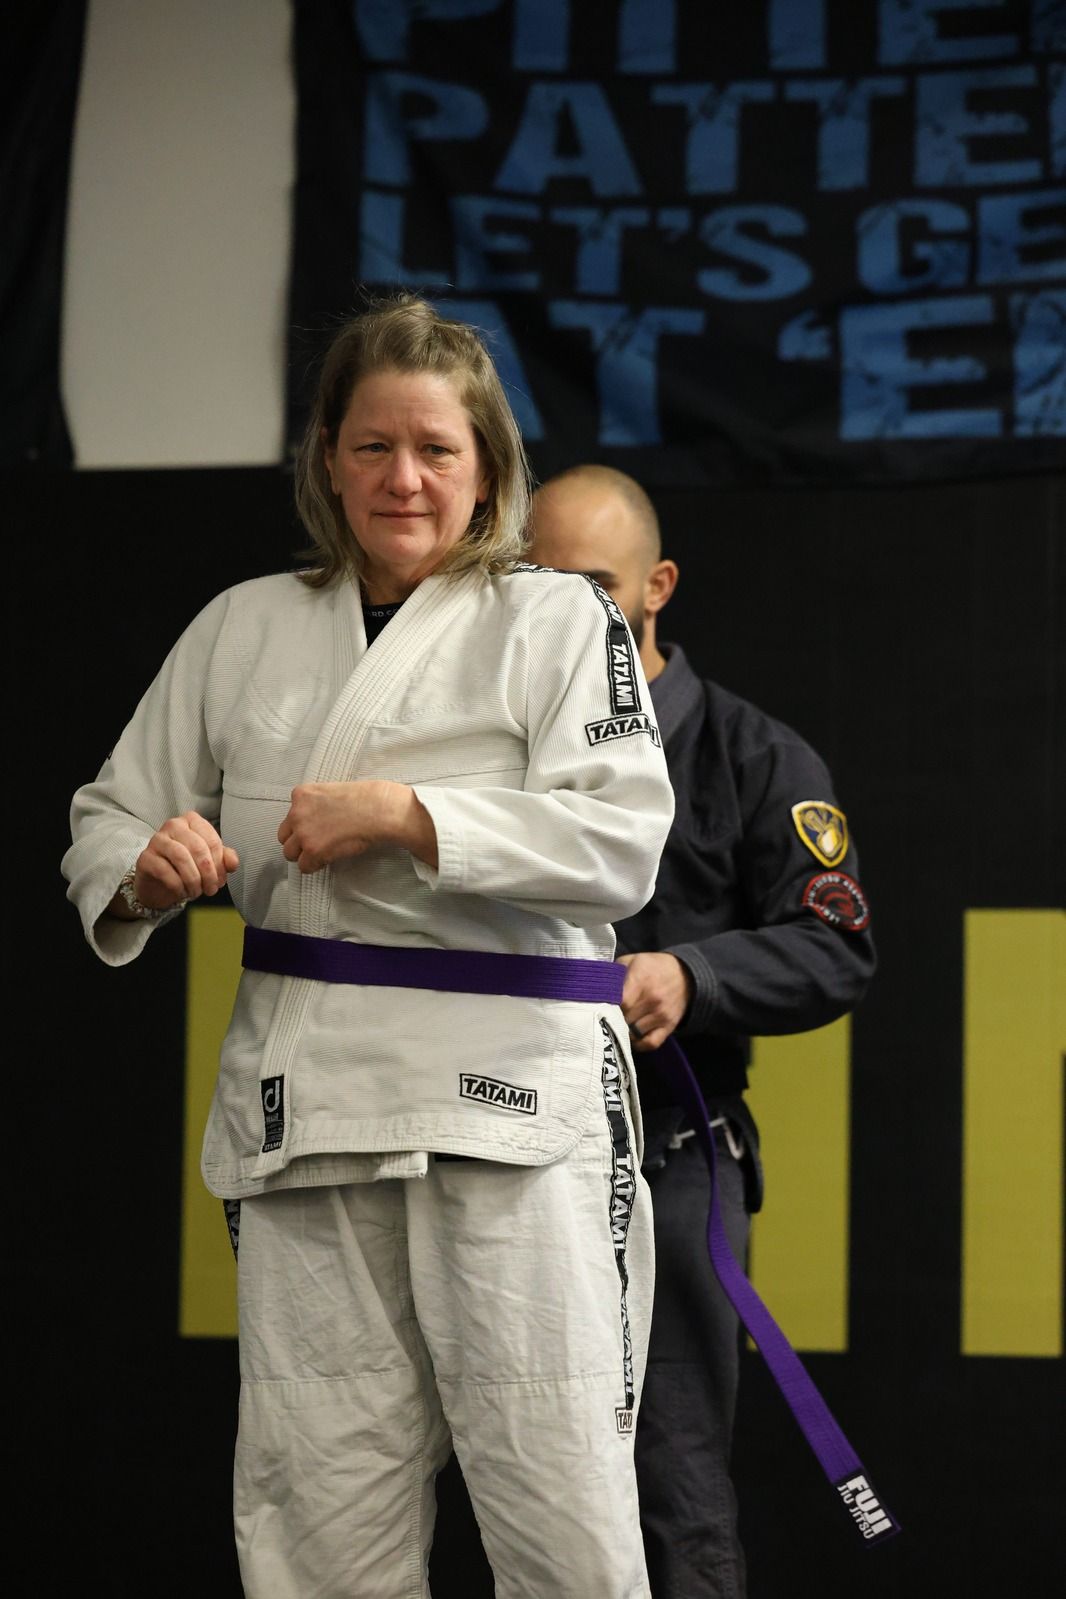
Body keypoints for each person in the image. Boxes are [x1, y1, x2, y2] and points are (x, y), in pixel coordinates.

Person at [61, 299, 676, 1599]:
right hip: (311, 1112)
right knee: (314, 1513)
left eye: (437, 450)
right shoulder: (244, 625)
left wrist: (409, 814)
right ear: (325, 459)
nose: (403, 477)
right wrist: (143, 873)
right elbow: (111, 810)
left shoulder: (558, 621)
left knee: (560, 1499)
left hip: (512, 1111)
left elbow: (621, 844)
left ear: (488, 468)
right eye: (371, 445)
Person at [529, 464, 877, 1599]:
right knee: (513, 1486)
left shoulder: (753, 757)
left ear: (656, 586)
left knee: (673, 1489)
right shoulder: (493, 753)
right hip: (506, 1153)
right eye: (535, 584)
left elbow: (837, 946)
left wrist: (695, 973)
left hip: (670, 1159)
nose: (563, 613)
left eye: (592, 586)